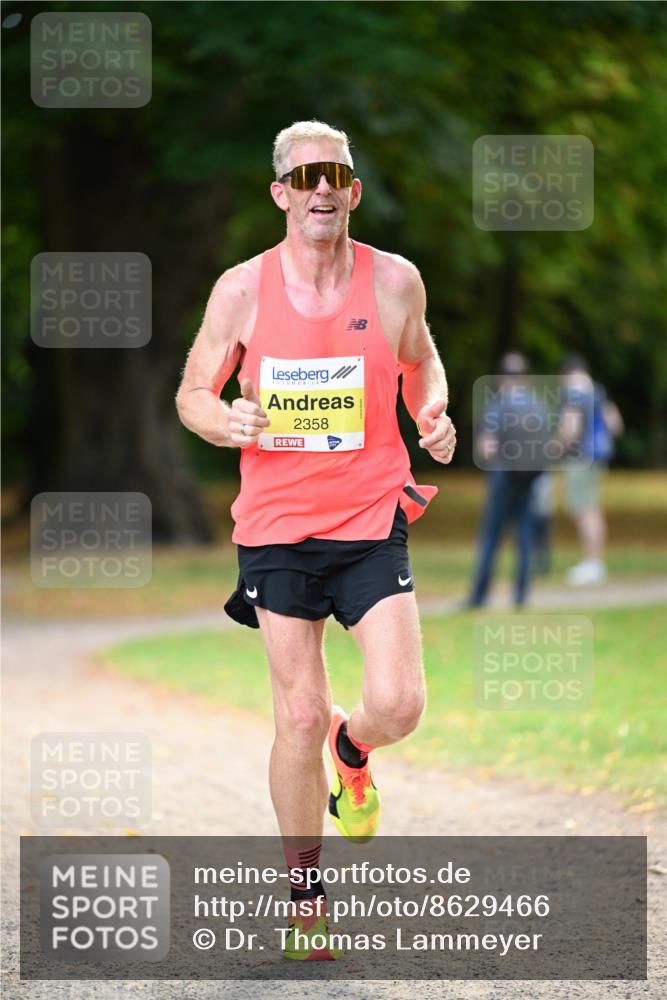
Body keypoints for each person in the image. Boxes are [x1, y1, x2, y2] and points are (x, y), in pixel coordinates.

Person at [175, 120, 455, 960]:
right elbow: (192, 390)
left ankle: (354, 745)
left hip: (370, 517)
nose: (321, 189)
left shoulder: (396, 281)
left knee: (400, 703)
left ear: (354, 189)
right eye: (305, 178)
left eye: (334, 174)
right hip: (275, 530)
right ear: (282, 194)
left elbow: (423, 361)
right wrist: (223, 421)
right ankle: (305, 897)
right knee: (295, 711)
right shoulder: (240, 289)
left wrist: (431, 410)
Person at [466, 352, 548, 609]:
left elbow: (486, 448)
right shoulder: (539, 405)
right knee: (524, 533)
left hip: (502, 475)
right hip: (530, 477)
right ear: (527, 377)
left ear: (501, 377)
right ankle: (521, 596)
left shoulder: (498, 404)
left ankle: (480, 596)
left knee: (491, 535)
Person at [558, 353, 623, 585]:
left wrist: (555, 447)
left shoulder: (573, 392)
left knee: (584, 509)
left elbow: (571, 428)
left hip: (580, 458)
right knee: (591, 506)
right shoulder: (599, 390)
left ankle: (592, 563)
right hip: (598, 457)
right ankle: (594, 562)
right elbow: (616, 424)